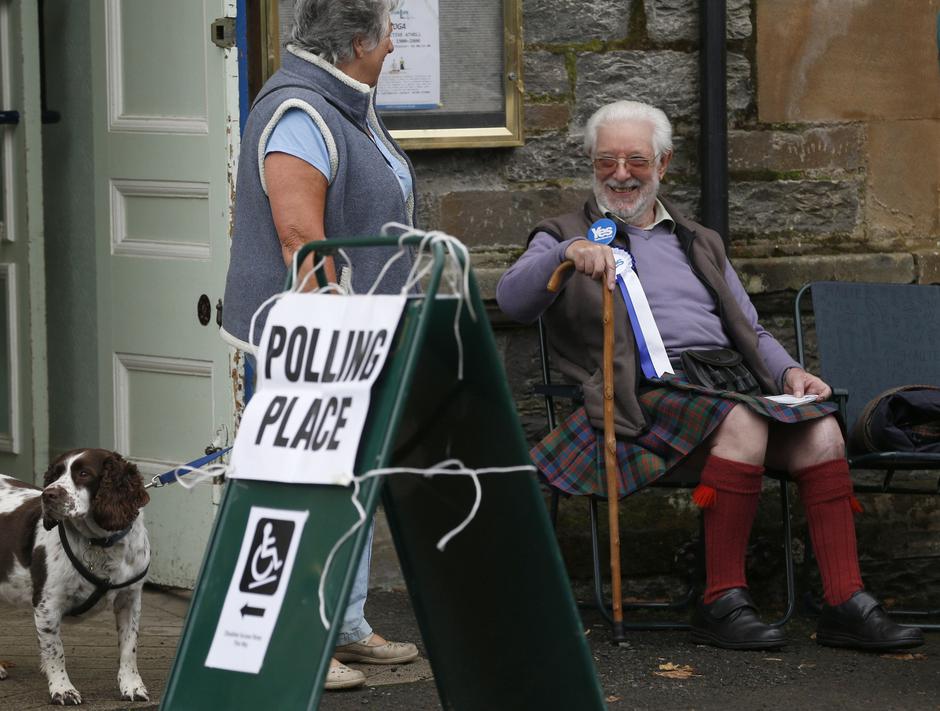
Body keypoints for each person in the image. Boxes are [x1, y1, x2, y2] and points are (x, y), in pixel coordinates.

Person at [496, 100, 923, 652]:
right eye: (607, 161)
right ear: (591, 164)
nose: (621, 174)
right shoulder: (564, 231)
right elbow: (512, 300)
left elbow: (750, 328)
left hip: (725, 383)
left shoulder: (698, 240)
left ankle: (844, 601)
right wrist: (566, 252)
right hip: (640, 397)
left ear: (663, 163)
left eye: (636, 160)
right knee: (743, 421)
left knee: (823, 432)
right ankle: (719, 599)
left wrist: (792, 371)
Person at [220, 0, 419, 690]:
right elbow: (302, 239)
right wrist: (337, 340)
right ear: (359, 41)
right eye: (389, 31)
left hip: (355, 337)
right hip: (314, 340)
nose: (395, 45)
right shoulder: (303, 111)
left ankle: (348, 623)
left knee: (353, 479)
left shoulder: (344, 101)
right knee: (302, 486)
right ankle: (298, 637)